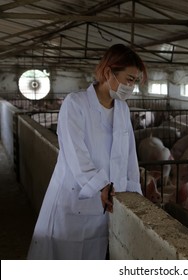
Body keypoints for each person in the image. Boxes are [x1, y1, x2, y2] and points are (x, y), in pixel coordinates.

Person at [27, 44, 147, 260]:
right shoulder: (76, 103)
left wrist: (133, 191)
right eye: (129, 79)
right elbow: (75, 152)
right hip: (74, 198)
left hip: (106, 204)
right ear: (109, 72)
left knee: (93, 258)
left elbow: (129, 154)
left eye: (134, 82)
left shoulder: (122, 109)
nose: (131, 87)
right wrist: (99, 184)